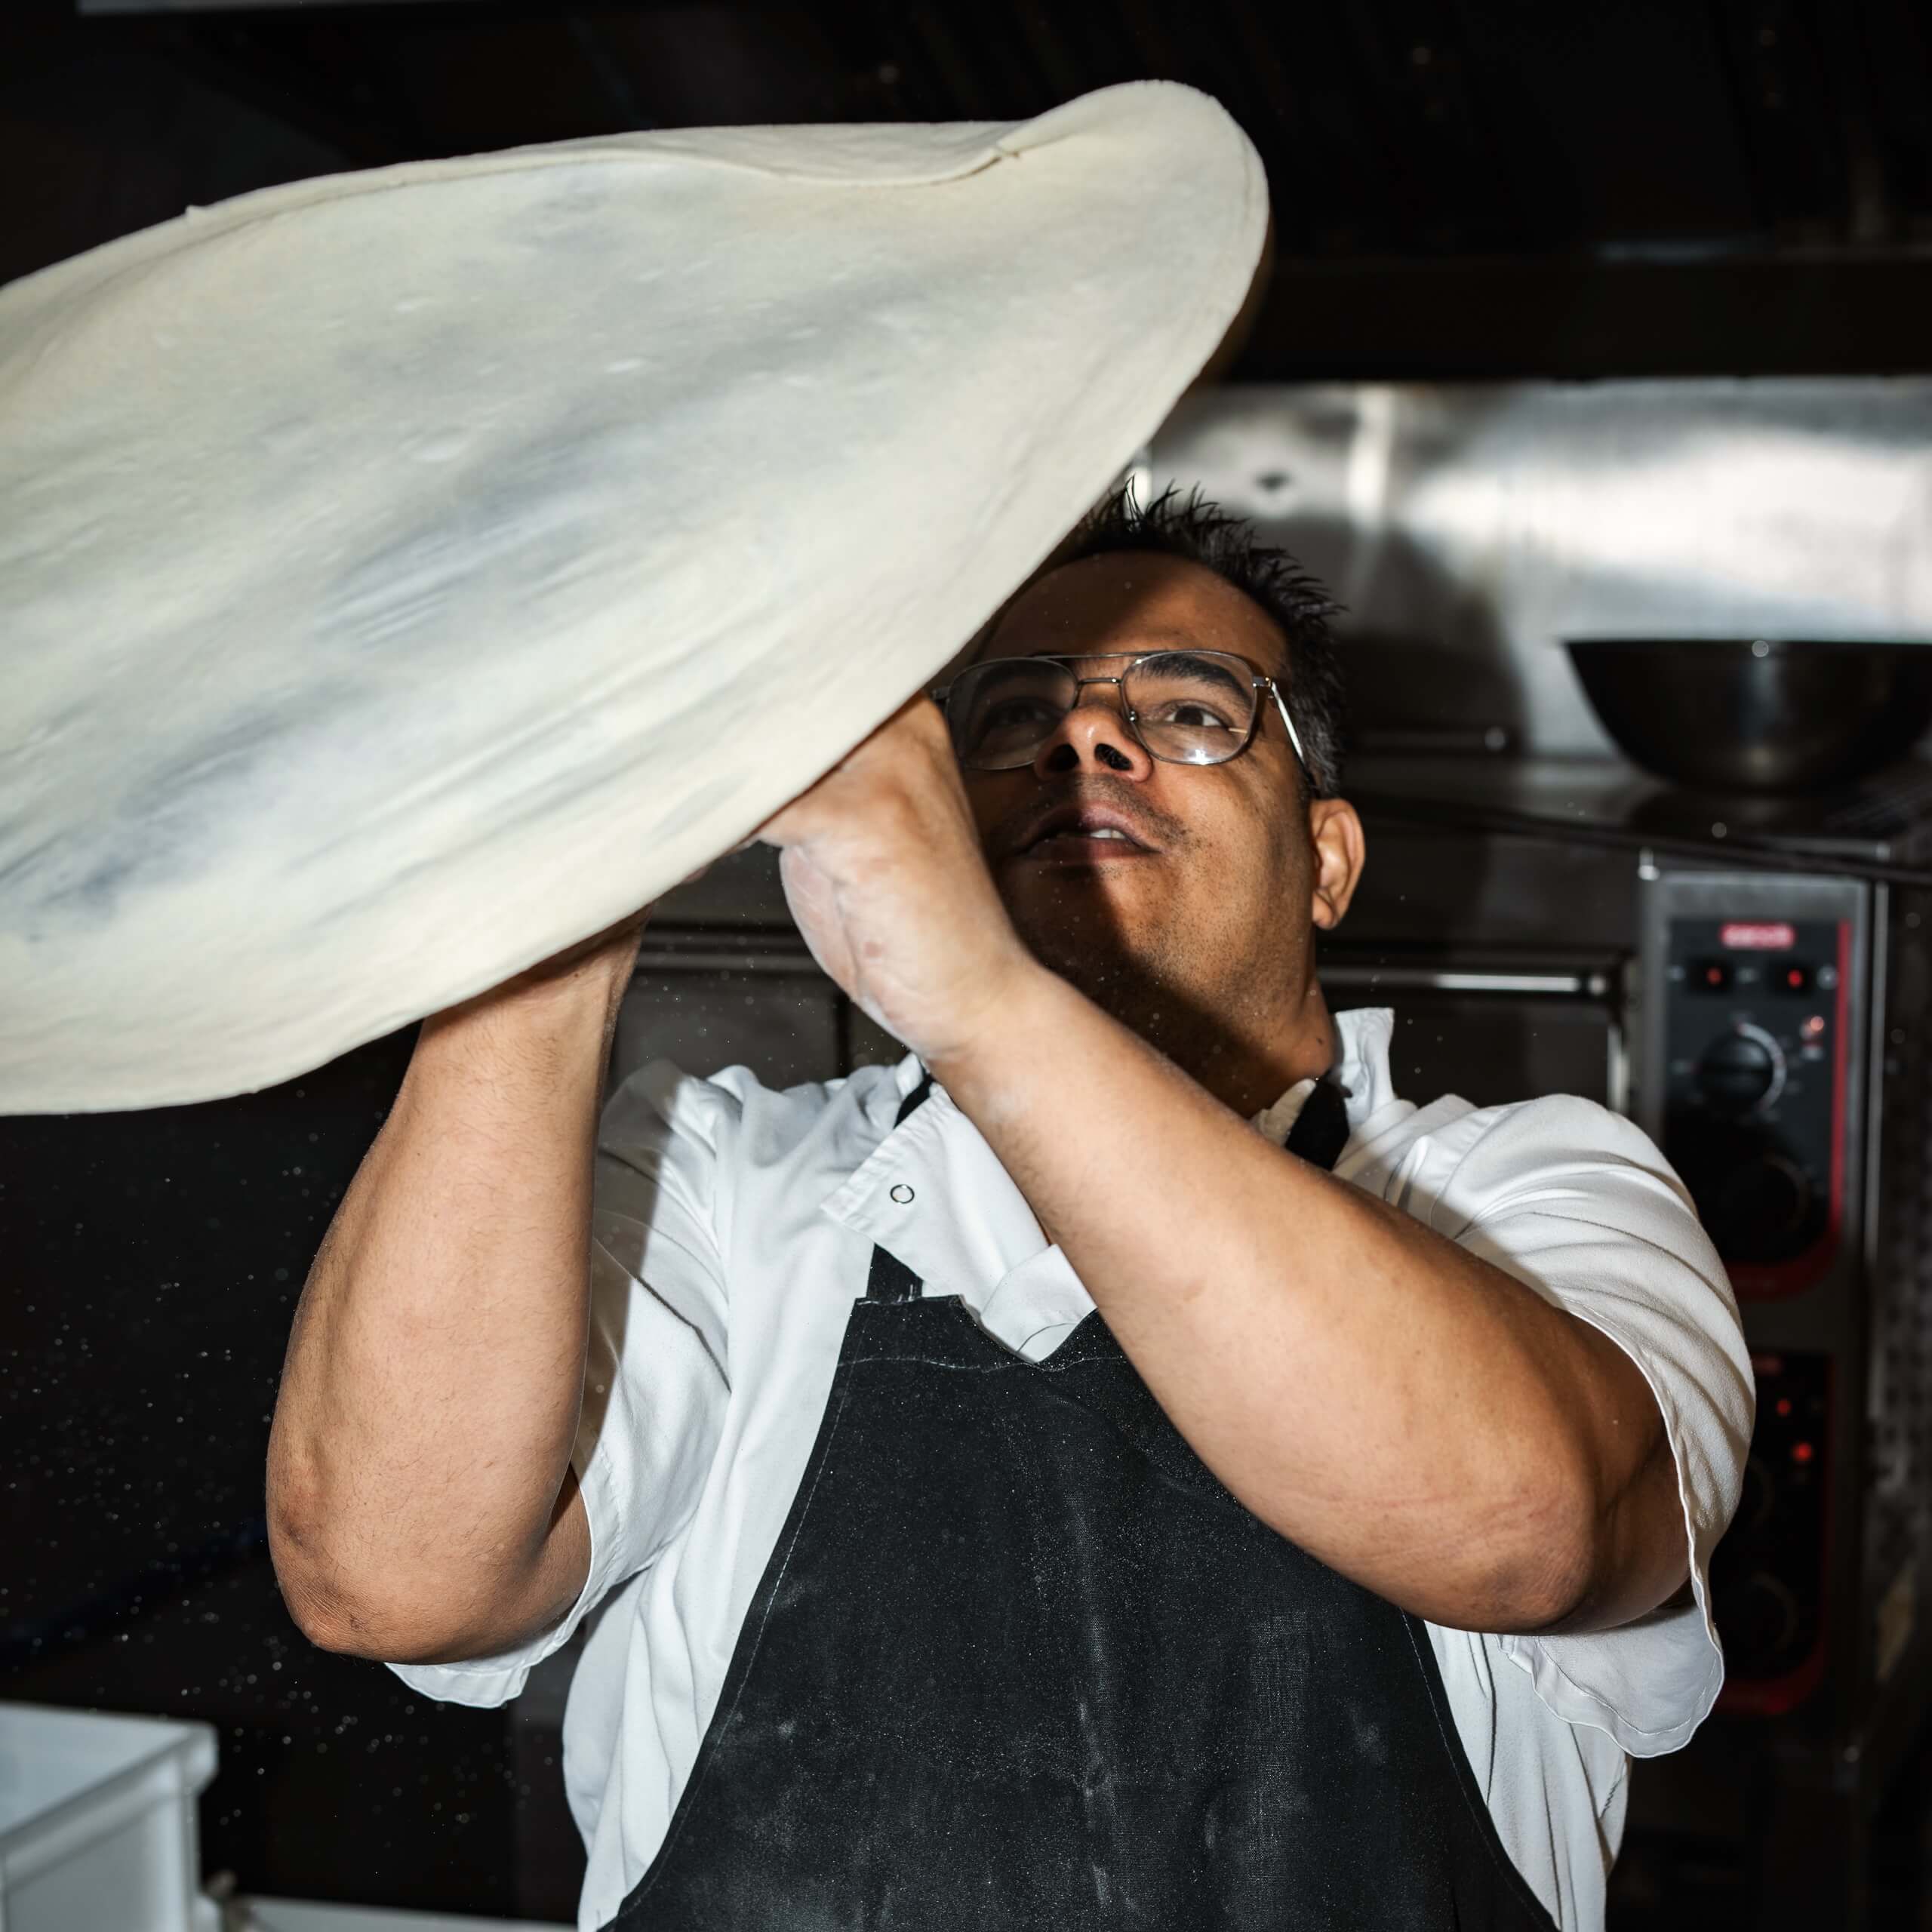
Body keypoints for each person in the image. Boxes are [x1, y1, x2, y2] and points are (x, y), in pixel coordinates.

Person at [266, 488, 1752, 1931]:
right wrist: (553, 901)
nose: (1083, 735)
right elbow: (389, 1575)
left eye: (1186, 710)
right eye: (1009, 719)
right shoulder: (726, 1187)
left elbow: (1523, 1526)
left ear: (1326, 860)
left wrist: (980, 998)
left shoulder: (1535, 1192)